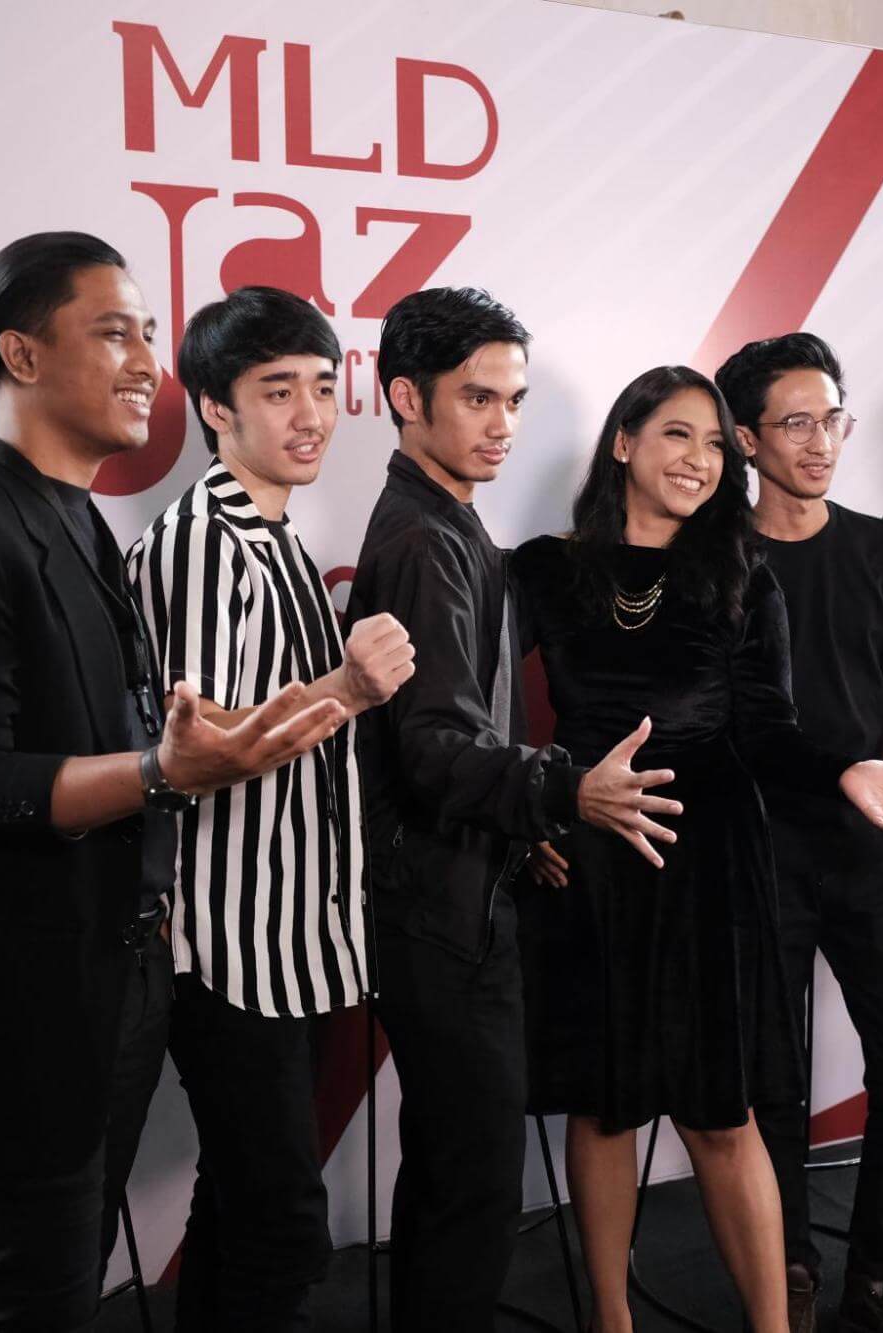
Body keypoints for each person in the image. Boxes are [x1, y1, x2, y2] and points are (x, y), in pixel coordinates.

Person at [0, 233, 349, 1331]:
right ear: (22, 354)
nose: (144, 362)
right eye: (114, 332)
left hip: (114, 980)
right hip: (11, 1003)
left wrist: (209, 743)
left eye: (148, 333)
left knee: (76, 1283)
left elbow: (127, 731)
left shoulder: (80, 519)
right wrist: (163, 769)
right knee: (36, 1304)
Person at [512, 365, 883, 1333]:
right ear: (622, 441)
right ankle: (611, 1319)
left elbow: (767, 731)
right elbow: (484, 703)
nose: (700, 460)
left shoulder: (741, 572)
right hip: (596, 859)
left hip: (709, 862)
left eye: (714, 443)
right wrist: (534, 811)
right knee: (605, 1104)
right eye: (677, 434)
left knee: (723, 1111)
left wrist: (846, 769)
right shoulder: (544, 568)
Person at [345, 287, 678, 1329]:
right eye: (477, 397)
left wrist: (524, 826)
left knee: (456, 1174)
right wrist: (564, 790)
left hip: (458, 887)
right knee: (473, 1186)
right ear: (407, 397)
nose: (502, 424)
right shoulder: (421, 540)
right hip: (437, 911)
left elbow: (463, 734)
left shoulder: (446, 523)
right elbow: (437, 752)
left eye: (515, 400)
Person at [126, 286, 415, 1329]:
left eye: (321, 387)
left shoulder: (271, 533)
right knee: (283, 1221)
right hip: (224, 939)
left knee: (245, 1202)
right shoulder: (209, 541)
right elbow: (204, 749)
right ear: (215, 406)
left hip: (280, 931)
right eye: (277, 389)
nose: (310, 414)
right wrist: (352, 686)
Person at [715, 333, 883, 1333]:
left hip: (870, 855)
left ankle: (881, 1269)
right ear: (745, 438)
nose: (821, 442)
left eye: (832, 418)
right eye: (795, 423)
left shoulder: (882, 549)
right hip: (758, 852)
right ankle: (789, 1271)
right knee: (772, 1085)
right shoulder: (717, 558)